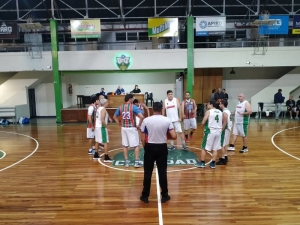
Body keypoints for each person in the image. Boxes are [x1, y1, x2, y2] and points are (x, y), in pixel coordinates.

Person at [140, 102, 177, 203]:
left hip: (150, 147)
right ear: (161, 109)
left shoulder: (146, 120)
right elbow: (174, 136)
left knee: (147, 172)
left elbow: (142, 138)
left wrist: (146, 147)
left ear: (152, 110)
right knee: (162, 172)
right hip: (162, 147)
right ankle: (164, 195)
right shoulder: (167, 120)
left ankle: (145, 196)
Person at [113, 94, 144, 168]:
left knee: (125, 145)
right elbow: (141, 116)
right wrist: (139, 125)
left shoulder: (120, 107)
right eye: (133, 98)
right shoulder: (133, 107)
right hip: (132, 128)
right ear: (130, 99)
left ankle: (126, 162)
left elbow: (114, 117)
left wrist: (119, 124)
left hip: (123, 128)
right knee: (136, 145)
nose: (133, 99)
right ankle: (136, 162)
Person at [195, 100, 226, 169]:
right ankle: (213, 163)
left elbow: (203, 121)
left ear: (211, 105)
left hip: (210, 132)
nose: (207, 105)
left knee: (204, 147)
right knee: (215, 148)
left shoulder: (209, 112)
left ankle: (202, 162)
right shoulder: (220, 112)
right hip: (218, 132)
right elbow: (224, 121)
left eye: (208, 104)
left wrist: (202, 124)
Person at [217, 100, 231, 165]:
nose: (219, 105)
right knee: (226, 143)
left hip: (225, 129)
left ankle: (223, 159)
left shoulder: (224, 112)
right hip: (228, 129)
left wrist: (221, 130)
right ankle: (225, 156)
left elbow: (225, 122)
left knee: (221, 144)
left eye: (220, 104)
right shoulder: (228, 111)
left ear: (222, 104)